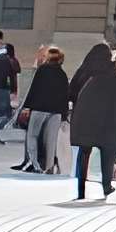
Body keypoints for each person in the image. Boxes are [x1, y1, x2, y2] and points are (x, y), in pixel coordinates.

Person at [66, 43, 116, 200]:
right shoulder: (112, 73)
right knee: (107, 152)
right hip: (107, 119)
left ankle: (81, 188)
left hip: (85, 118)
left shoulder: (84, 70)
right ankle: (106, 186)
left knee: (84, 154)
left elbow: (71, 91)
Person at [15, 45, 71, 174]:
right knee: (51, 140)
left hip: (40, 109)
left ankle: (35, 164)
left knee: (33, 135)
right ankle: (49, 165)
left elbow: (34, 89)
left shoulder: (42, 70)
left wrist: (27, 107)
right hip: (56, 111)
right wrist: (64, 113)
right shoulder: (62, 74)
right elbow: (65, 95)